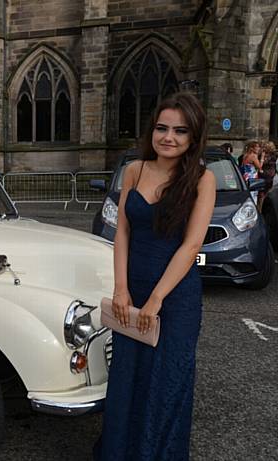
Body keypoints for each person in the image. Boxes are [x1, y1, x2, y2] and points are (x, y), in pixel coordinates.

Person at [94, 93, 216, 461]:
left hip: (175, 297)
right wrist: (120, 288)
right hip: (131, 291)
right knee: (128, 378)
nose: (169, 137)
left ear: (193, 137)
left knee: (167, 381)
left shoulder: (202, 178)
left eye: (180, 131)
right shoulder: (135, 169)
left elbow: (191, 245)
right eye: (162, 128)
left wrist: (157, 298)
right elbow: (123, 234)